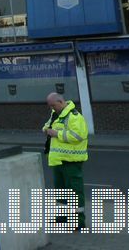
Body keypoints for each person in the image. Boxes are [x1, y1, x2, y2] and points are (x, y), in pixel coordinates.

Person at [43, 92, 88, 230]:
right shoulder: (55, 114)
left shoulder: (75, 117)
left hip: (71, 161)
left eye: (53, 105)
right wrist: (46, 129)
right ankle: (62, 218)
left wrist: (57, 134)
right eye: (50, 106)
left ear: (61, 102)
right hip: (58, 160)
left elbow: (79, 136)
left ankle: (78, 223)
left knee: (74, 192)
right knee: (61, 191)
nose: (52, 108)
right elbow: (46, 126)